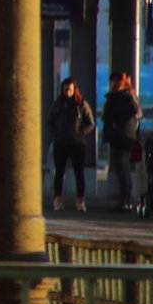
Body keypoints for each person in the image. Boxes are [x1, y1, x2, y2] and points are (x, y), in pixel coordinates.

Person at [47, 77, 95, 212]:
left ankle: (80, 201)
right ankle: (57, 200)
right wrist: (56, 134)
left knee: (79, 173)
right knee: (59, 172)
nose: (68, 92)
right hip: (60, 143)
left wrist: (81, 132)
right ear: (62, 90)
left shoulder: (81, 104)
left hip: (77, 143)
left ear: (75, 90)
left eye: (70, 89)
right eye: (65, 89)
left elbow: (90, 123)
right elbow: (49, 121)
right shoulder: (58, 104)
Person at [101, 70, 143, 211]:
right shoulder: (122, 95)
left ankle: (125, 200)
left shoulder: (124, 96)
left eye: (112, 81)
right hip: (121, 135)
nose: (110, 84)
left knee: (122, 168)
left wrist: (118, 122)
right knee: (121, 168)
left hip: (122, 136)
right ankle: (124, 199)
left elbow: (136, 111)